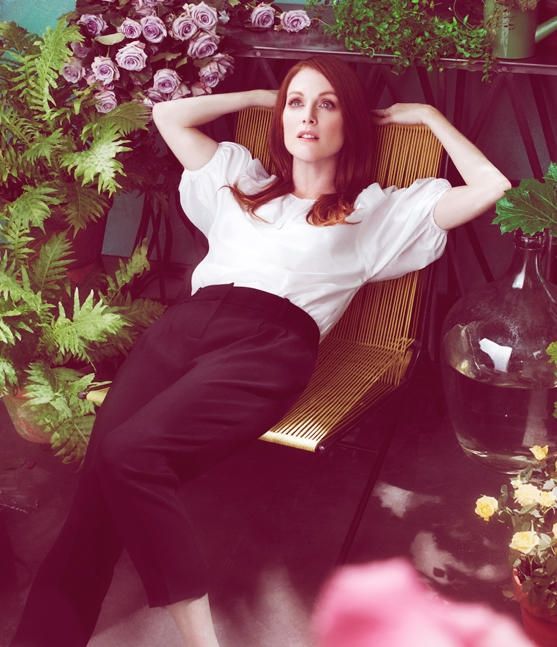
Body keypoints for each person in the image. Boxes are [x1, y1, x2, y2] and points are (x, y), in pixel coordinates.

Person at [11, 55, 510, 647]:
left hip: (271, 342)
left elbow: (492, 187)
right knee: (93, 510)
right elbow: (169, 115)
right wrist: (258, 98)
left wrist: (427, 116)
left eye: (327, 104)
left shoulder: (375, 213)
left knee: (129, 454)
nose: (308, 116)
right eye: (296, 102)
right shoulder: (240, 182)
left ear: (351, 122)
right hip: (182, 330)